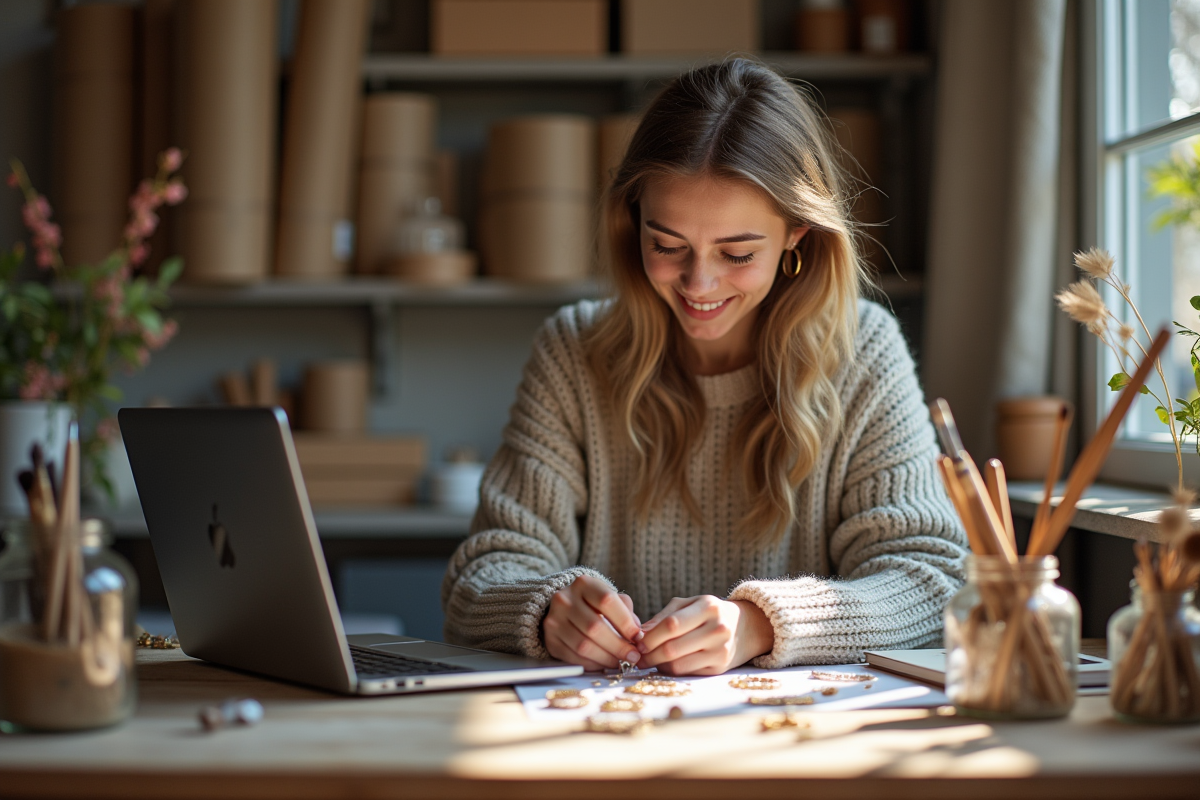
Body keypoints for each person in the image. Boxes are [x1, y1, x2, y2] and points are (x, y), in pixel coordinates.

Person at [441, 58, 967, 676]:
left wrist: (761, 625)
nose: (699, 283)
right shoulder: (573, 352)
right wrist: (543, 610)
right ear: (632, 218)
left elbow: (932, 583)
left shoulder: (863, 353)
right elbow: (479, 577)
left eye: (737, 253)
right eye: (667, 246)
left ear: (797, 234)